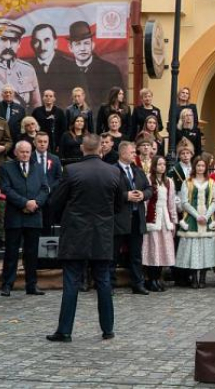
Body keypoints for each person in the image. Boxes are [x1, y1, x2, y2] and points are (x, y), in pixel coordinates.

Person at [45, 134, 123, 342]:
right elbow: (118, 205)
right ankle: (108, 329)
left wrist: (63, 217)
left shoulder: (71, 171)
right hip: (102, 234)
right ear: (101, 149)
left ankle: (65, 330)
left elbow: (56, 201)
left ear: (82, 148)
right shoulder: (113, 172)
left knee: (71, 282)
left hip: (75, 234)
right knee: (104, 281)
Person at [0, 141, 50, 297]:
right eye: (22, 152)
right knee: (11, 252)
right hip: (15, 215)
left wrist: (36, 203)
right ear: (15, 152)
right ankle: (7, 284)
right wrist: (24, 203)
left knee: (32, 253)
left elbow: (45, 188)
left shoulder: (38, 167)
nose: (25, 154)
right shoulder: (6, 167)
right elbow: (6, 188)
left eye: (28, 152)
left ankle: (31, 285)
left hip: (34, 216)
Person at [113, 141, 152, 295]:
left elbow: (149, 188)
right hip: (120, 217)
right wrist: (125, 196)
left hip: (137, 217)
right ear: (122, 153)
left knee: (136, 253)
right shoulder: (113, 170)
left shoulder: (137, 170)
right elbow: (108, 192)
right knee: (114, 253)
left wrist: (143, 195)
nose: (134, 154)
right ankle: (110, 283)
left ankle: (137, 283)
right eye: (131, 152)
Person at [177, 155, 215, 289]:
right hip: (192, 218)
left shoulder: (211, 183)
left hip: (207, 219)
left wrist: (206, 216)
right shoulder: (187, 182)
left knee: (206, 249)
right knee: (193, 249)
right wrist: (197, 216)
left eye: (203, 166)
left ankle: (203, 277)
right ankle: (194, 276)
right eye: (198, 165)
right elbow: (184, 202)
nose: (200, 168)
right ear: (194, 167)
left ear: (206, 167)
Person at [66, 21, 124, 110]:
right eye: (78, 44)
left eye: (86, 43)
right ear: (70, 47)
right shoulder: (65, 72)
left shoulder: (110, 70)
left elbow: (118, 102)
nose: (82, 48)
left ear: (92, 45)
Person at [142, 155, 177, 293]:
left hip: (165, 219)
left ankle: (158, 278)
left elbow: (171, 202)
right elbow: (145, 202)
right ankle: (151, 279)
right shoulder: (148, 179)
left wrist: (173, 221)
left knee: (162, 249)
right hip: (152, 218)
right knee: (153, 249)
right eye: (159, 164)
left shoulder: (169, 182)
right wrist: (144, 218)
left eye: (163, 164)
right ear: (154, 165)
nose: (162, 167)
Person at [28, 23, 81, 109]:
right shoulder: (26, 69)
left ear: (55, 43)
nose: (42, 46)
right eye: (37, 41)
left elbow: (81, 102)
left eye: (46, 40)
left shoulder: (72, 68)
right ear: (32, 45)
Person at [0, 22, 41, 110]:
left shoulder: (28, 69)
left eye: (14, 40)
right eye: (3, 39)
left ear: (19, 43)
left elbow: (36, 106)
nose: (8, 46)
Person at [33, 132, 62, 232]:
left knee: (47, 226)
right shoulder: (29, 158)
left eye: (45, 142)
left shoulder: (55, 159)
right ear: (34, 142)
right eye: (40, 141)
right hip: (33, 197)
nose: (42, 144)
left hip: (49, 198)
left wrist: (50, 188)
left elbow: (59, 178)